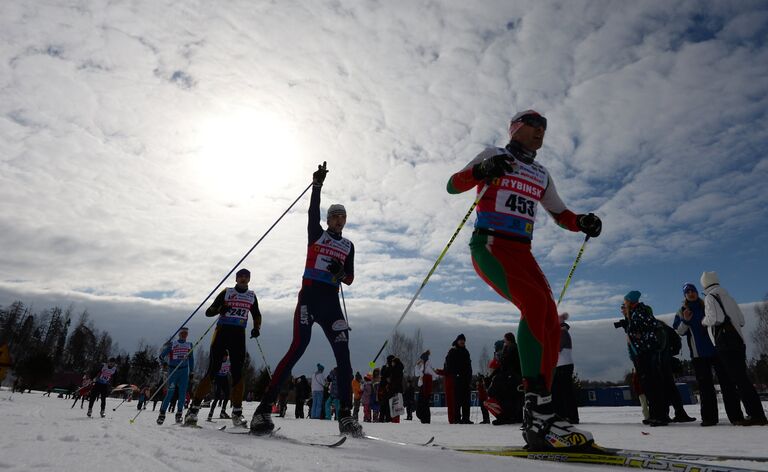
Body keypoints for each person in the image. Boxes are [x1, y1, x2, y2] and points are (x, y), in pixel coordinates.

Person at [447, 110, 601, 450]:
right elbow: (453, 184)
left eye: (544, 127)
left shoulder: (541, 174)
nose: (540, 131)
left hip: (523, 253)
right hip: (490, 246)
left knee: (549, 316)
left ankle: (543, 412)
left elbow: (560, 214)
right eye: (534, 125)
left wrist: (583, 221)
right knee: (532, 304)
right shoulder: (494, 155)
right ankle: (536, 411)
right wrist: (481, 171)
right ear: (516, 128)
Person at [249, 163, 363, 437]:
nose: (338, 220)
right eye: (335, 216)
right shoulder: (317, 234)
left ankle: (346, 415)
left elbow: (349, 279)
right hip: (309, 299)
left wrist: (340, 272)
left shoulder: (348, 246)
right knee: (298, 348)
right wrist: (317, 186)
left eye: (342, 217)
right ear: (328, 219)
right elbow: (312, 213)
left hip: (331, 303)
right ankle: (263, 409)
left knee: (344, 353)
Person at [184, 268, 262, 427]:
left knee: (238, 373)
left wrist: (256, 328)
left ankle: (237, 414)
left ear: (249, 279)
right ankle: (193, 411)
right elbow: (208, 312)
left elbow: (257, 314)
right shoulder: (227, 292)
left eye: (246, 277)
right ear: (236, 278)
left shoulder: (251, 295)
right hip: (222, 333)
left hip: (239, 335)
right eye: (240, 276)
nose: (243, 279)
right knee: (212, 370)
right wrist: (220, 309)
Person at [700, 271, 767, 426]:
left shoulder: (710, 297)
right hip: (738, 341)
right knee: (743, 378)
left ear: (704, 283)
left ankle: (755, 415)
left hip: (725, 344)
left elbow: (717, 318)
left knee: (738, 380)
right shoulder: (729, 297)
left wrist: (704, 321)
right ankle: (757, 412)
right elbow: (742, 321)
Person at [674, 282, 742, 426]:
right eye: (688, 292)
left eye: (693, 291)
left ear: (697, 292)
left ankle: (736, 416)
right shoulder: (682, 311)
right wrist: (685, 320)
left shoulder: (707, 305)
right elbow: (679, 331)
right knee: (705, 388)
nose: (691, 293)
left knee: (727, 384)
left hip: (717, 350)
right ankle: (709, 418)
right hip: (699, 355)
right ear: (684, 295)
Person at [623, 291, 668, 426]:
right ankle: (656, 414)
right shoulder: (637, 312)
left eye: (625, 301)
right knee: (650, 384)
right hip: (643, 351)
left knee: (652, 384)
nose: (624, 304)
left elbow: (645, 327)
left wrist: (636, 334)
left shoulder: (640, 312)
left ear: (630, 301)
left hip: (645, 352)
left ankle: (659, 415)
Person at [157, 327, 195, 425]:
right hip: (173, 370)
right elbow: (161, 356)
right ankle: (162, 414)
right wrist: (164, 363)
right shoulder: (173, 344)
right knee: (170, 392)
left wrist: (191, 372)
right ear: (179, 334)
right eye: (182, 333)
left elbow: (191, 359)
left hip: (184, 372)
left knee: (182, 394)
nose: (184, 335)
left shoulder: (189, 345)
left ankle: (179, 414)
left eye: (186, 334)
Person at [551, 312, 579, 424]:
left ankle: (571, 416)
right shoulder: (560, 332)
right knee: (558, 392)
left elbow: (557, 348)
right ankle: (562, 414)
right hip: (560, 365)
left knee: (566, 392)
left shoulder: (562, 332)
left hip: (564, 365)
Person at [444, 334, 472, 424]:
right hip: (457, 379)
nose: (462, 342)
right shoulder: (452, 351)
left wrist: (470, 377)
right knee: (457, 400)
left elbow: (469, 365)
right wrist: (455, 374)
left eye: (463, 340)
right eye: (461, 340)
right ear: (457, 341)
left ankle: (466, 418)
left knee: (466, 400)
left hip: (466, 379)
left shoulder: (466, 352)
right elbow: (448, 365)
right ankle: (457, 418)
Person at [207, 351, 231, 421]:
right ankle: (210, 414)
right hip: (218, 378)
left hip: (225, 378)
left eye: (226, 357)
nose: (225, 358)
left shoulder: (229, 360)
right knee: (217, 397)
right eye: (224, 357)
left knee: (227, 395)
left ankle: (223, 412)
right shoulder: (218, 361)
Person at [414, 350, 438, 424]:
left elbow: (435, 376)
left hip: (426, 388)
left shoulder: (427, 366)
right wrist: (417, 365)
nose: (420, 360)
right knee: (422, 405)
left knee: (424, 405)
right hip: (422, 387)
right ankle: (424, 419)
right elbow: (417, 374)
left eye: (421, 359)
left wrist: (425, 377)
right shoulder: (422, 366)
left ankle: (425, 420)